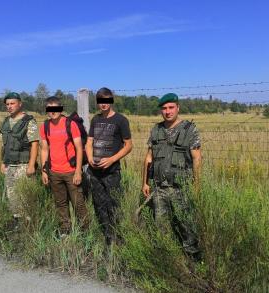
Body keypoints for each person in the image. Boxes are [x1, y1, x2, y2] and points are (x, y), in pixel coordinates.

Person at [141, 93, 202, 259]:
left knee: (186, 226)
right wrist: (145, 183)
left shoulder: (189, 129)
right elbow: (148, 158)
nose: (167, 111)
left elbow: (197, 159)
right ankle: (167, 260)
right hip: (160, 189)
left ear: (177, 108)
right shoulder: (156, 130)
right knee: (161, 226)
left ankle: (193, 261)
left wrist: (196, 187)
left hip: (182, 189)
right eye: (164, 108)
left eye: (171, 107)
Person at [86, 87, 132, 245]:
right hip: (95, 172)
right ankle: (107, 238)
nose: (103, 104)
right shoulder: (95, 119)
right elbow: (89, 142)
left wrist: (112, 159)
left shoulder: (121, 120)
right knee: (99, 205)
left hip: (111, 172)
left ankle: (119, 238)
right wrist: (90, 156)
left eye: (106, 101)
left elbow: (128, 146)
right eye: (100, 101)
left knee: (113, 205)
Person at [40, 96, 89, 236]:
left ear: (60, 109)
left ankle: (85, 232)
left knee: (78, 204)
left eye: (55, 108)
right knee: (60, 203)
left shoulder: (70, 124)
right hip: (54, 172)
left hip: (71, 172)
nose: (52, 112)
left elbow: (79, 148)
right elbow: (44, 149)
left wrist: (78, 171)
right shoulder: (45, 126)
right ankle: (65, 231)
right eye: (49, 109)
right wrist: (44, 171)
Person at [0, 92, 39, 222]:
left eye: (12, 103)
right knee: (12, 196)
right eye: (7, 104)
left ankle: (29, 224)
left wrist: (31, 165)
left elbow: (34, 144)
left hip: (24, 165)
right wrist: (3, 162)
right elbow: (4, 145)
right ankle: (17, 222)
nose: (9, 106)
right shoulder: (6, 122)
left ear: (20, 104)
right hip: (10, 165)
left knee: (26, 196)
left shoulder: (28, 121)